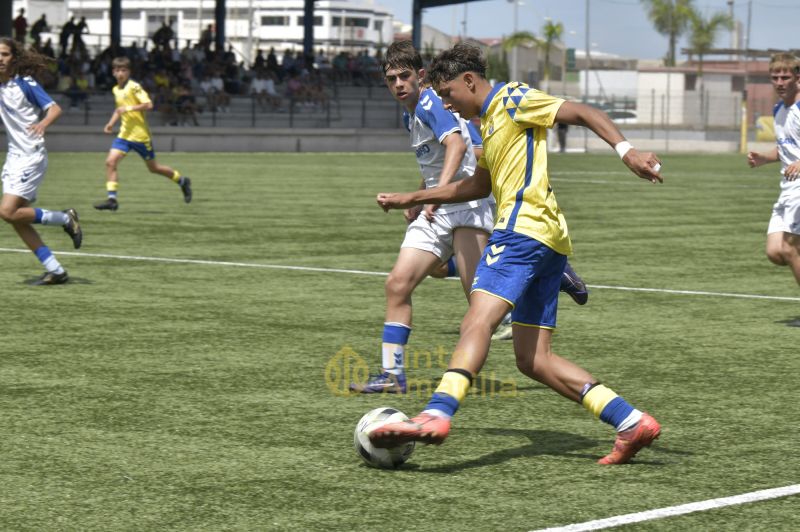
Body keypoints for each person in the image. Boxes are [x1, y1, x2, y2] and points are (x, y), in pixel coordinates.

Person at [370, 42, 663, 465]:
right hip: (547, 240)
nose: (447, 102)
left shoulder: (512, 98)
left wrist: (627, 151)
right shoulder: (488, 121)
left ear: (469, 81)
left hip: (521, 231)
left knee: (477, 318)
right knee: (532, 359)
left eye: (449, 93)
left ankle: (436, 413)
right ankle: (630, 420)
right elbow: (478, 187)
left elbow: (582, 112)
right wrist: (415, 196)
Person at [349, 41, 496, 395]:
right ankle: (392, 375)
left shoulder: (430, 102)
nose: (398, 84)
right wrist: (422, 196)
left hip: (465, 203)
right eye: (391, 79)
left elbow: (457, 145)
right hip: (437, 203)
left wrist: (431, 196)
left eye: (404, 76)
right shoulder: (409, 113)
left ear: (421, 76)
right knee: (398, 284)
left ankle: (545, 277)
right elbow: (432, 162)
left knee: (480, 301)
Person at [0, 37, 82, 285]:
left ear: (14, 58)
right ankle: (55, 270)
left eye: (4, 54)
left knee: (7, 211)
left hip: (31, 155)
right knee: (16, 218)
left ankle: (65, 219)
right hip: (14, 157)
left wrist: (43, 124)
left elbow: (55, 108)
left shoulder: (24, 84)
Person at [95, 56, 192, 211]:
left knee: (154, 168)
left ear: (129, 72)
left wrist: (128, 109)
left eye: (124, 70)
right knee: (110, 162)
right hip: (124, 135)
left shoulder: (134, 87)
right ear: (113, 72)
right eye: (118, 70)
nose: (121, 73)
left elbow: (149, 104)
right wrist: (111, 123)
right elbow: (119, 109)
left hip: (141, 137)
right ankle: (112, 200)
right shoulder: (115, 89)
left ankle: (182, 181)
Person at [747, 53, 800, 287]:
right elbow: (785, 149)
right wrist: (763, 158)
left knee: (790, 248)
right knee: (775, 251)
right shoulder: (779, 109)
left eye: (785, 77)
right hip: (787, 188)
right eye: (775, 77)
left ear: (797, 78)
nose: (779, 82)